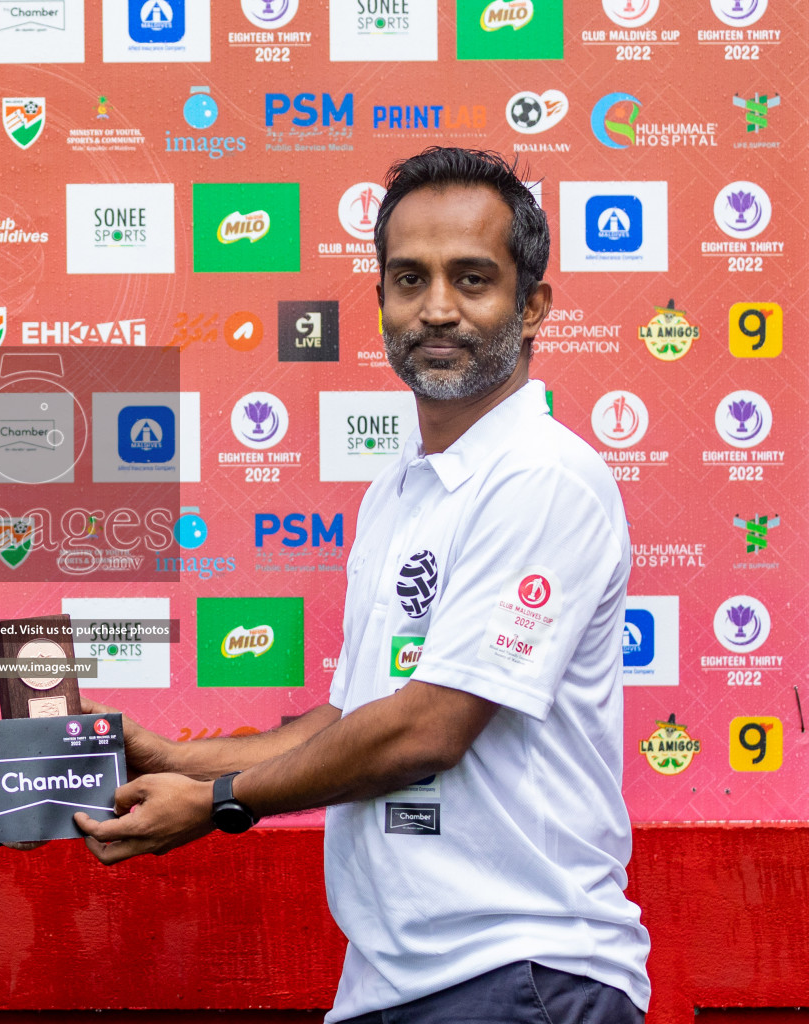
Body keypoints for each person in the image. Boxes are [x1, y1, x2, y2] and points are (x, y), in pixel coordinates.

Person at [74, 148, 651, 1022]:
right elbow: (354, 718)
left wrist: (216, 804)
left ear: (532, 307)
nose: (438, 310)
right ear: (380, 298)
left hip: (522, 970)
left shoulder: (543, 476)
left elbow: (427, 729)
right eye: (409, 279)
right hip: (398, 980)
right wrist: (175, 758)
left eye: (473, 279)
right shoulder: (400, 488)